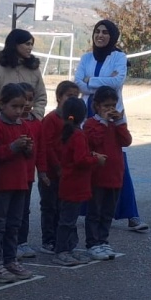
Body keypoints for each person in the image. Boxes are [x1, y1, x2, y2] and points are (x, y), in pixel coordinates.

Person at [74, 19, 148, 233]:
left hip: (112, 115)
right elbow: (78, 81)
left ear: (113, 36)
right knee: (87, 161)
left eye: (105, 32)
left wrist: (90, 80)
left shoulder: (119, 57)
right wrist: (102, 80)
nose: (100, 35)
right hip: (88, 113)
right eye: (97, 31)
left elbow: (116, 84)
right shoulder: (86, 57)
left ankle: (131, 215)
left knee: (117, 163)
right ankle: (85, 210)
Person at [0, 83, 37, 283]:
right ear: (2, 104)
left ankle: (10, 259)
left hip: (20, 182)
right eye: (14, 106)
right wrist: (13, 147)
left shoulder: (24, 125)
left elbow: (30, 152)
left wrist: (28, 148)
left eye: (21, 107)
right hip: (2, 184)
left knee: (14, 223)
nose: (18, 111)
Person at [52, 97, 106, 266]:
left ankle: (69, 247)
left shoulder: (69, 133)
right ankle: (61, 250)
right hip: (74, 184)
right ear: (83, 115)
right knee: (67, 220)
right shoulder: (77, 135)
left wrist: (91, 156)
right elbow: (80, 160)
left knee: (70, 219)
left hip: (71, 183)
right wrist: (96, 159)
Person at [84, 86, 131, 259]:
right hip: (97, 176)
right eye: (106, 106)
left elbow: (126, 141)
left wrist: (119, 123)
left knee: (107, 212)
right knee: (95, 211)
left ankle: (103, 241)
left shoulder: (117, 124)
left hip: (115, 175)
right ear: (96, 106)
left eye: (113, 105)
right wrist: (103, 123)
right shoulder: (91, 123)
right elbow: (93, 141)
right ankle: (92, 243)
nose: (110, 110)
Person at [37, 81, 80, 255]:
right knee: (49, 206)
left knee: (63, 207)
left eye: (75, 97)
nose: (73, 100)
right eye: (69, 96)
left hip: (66, 173)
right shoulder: (51, 119)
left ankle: (61, 239)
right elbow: (47, 146)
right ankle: (48, 240)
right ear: (59, 97)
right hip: (50, 172)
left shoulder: (72, 120)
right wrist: (56, 166)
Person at [0, 28, 47, 120]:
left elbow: (41, 96)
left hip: (27, 122)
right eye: (27, 44)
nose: (30, 47)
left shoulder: (33, 69)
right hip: (1, 121)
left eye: (31, 44)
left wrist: (36, 116)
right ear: (15, 44)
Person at [15, 82, 47, 259]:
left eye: (30, 99)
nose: (27, 103)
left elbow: (41, 150)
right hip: (12, 176)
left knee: (24, 209)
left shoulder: (37, 124)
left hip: (27, 176)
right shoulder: (11, 122)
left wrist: (42, 171)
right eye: (23, 100)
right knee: (11, 211)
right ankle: (11, 242)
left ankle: (22, 241)